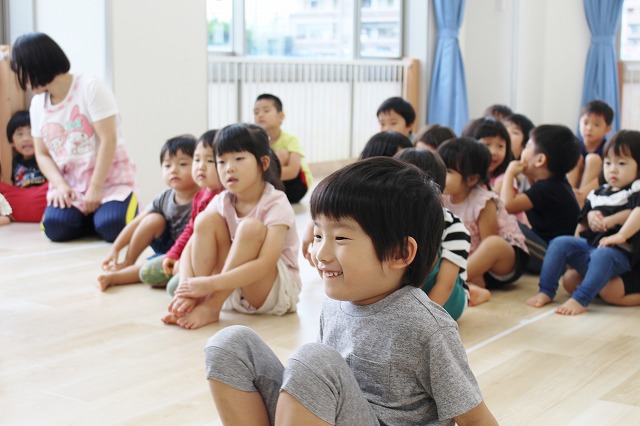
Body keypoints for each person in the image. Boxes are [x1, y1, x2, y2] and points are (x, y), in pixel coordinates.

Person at [204, 157, 497, 425]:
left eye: (341, 238)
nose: (320, 253)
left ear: (400, 253)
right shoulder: (335, 305)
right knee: (230, 344)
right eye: (318, 235)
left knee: (314, 361)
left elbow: (476, 419)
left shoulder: (427, 326)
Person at [164, 123, 300, 329]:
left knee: (250, 228)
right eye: (221, 161)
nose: (229, 168)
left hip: (273, 292)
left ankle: (212, 306)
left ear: (263, 163)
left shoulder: (276, 202)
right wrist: (187, 290)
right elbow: (190, 247)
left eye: (238, 159)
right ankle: (197, 303)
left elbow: (265, 264)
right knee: (204, 221)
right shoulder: (222, 200)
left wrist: (209, 284)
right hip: (231, 289)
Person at [10, 32, 137, 242]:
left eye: (23, 73)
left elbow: (109, 140)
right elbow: (42, 154)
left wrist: (95, 187)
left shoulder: (90, 87)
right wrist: (60, 185)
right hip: (71, 187)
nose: (23, 81)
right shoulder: (38, 105)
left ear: (38, 65)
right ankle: (89, 217)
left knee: (112, 226)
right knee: (55, 228)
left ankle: (103, 215)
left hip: (109, 182)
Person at [527, 130, 640, 315]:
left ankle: (581, 299)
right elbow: (582, 223)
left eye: (621, 163)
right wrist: (589, 220)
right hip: (594, 250)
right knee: (561, 247)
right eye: (608, 163)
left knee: (604, 264)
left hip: (623, 256)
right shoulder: (598, 193)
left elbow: (636, 212)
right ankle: (546, 290)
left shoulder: (636, 189)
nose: (613, 169)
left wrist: (618, 231)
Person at [395, 148, 490, 315]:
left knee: (428, 250)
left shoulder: (453, 227)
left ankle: (468, 293)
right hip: (409, 293)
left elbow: (445, 285)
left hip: (446, 297)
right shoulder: (393, 218)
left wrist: (421, 319)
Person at [97, 136, 198, 291]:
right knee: (153, 219)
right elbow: (137, 222)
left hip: (188, 251)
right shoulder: (165, 197)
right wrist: (115, 249)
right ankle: (128, 262)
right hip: (168, 245)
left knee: (149, 268)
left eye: (182, 164)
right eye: (167, 165)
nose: (173, 170)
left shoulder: (204, 197)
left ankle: (115, 278)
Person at [438, 138, 529, 290]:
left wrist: (478, 271)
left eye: (448, 171)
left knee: (493, 244)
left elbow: (486, 242)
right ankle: (461, 282)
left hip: (499, 264)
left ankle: (449, 281)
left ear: (472, 179)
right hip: (464, 260)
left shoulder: (483, 202)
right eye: (440, 168)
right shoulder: (442, 198)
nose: (440, 174)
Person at [139, 130, 222, 295]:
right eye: (197, 160)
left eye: (210, 160)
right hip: (190, 255)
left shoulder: (224, 198)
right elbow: (190, 230)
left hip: (211, 261)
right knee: (147, 272)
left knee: (174, 289)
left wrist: (185, 260)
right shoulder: (200, 195)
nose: (201, 166)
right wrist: (174, 254)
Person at [500, 125, 581, 274]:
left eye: (528, 146)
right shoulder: (555, 183)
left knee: (505, 222)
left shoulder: (547, 189)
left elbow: (506, 206)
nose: (523, 151)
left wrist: (509, 173)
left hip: (554, 260)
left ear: (540, 160)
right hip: (552, 252)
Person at [254, 93, 313, 203]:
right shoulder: (257, 141)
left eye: (266, 110)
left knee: (281, 155)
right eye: (256, 112)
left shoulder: (290, 139)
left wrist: (259, 175)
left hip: (297, 185)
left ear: (281, 116)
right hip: (273, 184)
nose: (260, 115)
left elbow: (292, 171)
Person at [0, 110, 48, 222]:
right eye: (20, 134)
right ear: (12, 142)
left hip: (42, 198)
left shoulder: (44, 158)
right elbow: (15, 185)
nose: (26, 139)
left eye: (31, 133)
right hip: (22, 199)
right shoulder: (16, 162)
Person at [567, 100, 614, 206]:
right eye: (585, 123)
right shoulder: (574, 144)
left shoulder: (608, 149)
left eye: (596, 125)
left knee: (593, 159)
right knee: (575, 157)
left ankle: (578, 199)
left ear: (607, 129)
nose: (589, 128)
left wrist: (581, 193)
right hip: (573, 185)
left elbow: (603, 178)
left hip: (593, 187)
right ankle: (568, 193)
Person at [463, 117, 514, 193]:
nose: (493, 152)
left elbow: (494, 196)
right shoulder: (462, 177)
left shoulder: (505, 179)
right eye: (486, 145)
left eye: (500, 146)